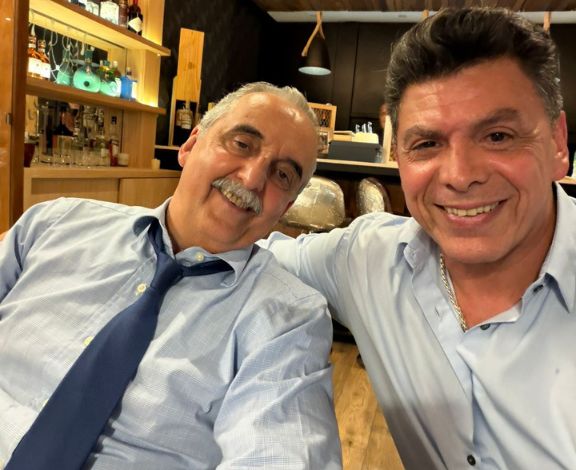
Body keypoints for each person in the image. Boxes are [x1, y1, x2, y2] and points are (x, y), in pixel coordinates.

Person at [262, 8, 576, 469]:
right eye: (427, 144)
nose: (460, 175)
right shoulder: (368, 259)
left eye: (498, 135)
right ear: (398, 155)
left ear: (558, 143)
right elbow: (256, 255)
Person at [0, 82, 342, 468]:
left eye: (282, 175)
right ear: (190, 145)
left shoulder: (288, 321)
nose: (251, 179)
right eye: (242, 144)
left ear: (286, 207)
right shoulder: (54, 224)